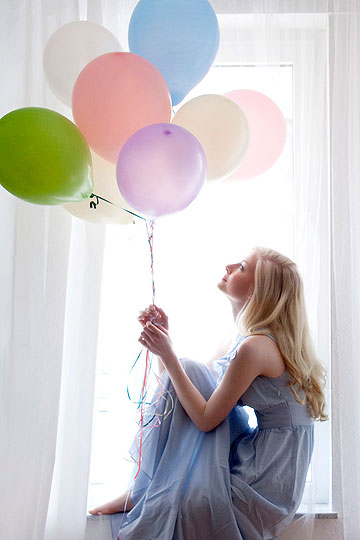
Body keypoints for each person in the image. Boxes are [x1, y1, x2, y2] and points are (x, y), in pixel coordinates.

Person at [89, 246, 328, 540]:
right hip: (256, 460)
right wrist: (166, 347)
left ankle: (144, 487)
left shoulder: (257, 348)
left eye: (241, 267)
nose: (229, 266)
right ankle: (144, 487)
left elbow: (205, 419)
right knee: (190, 370)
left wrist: (169, 354)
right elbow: (185, 396)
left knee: (187, 367)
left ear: (258, 291)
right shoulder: (247, 340)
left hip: (264, 484)